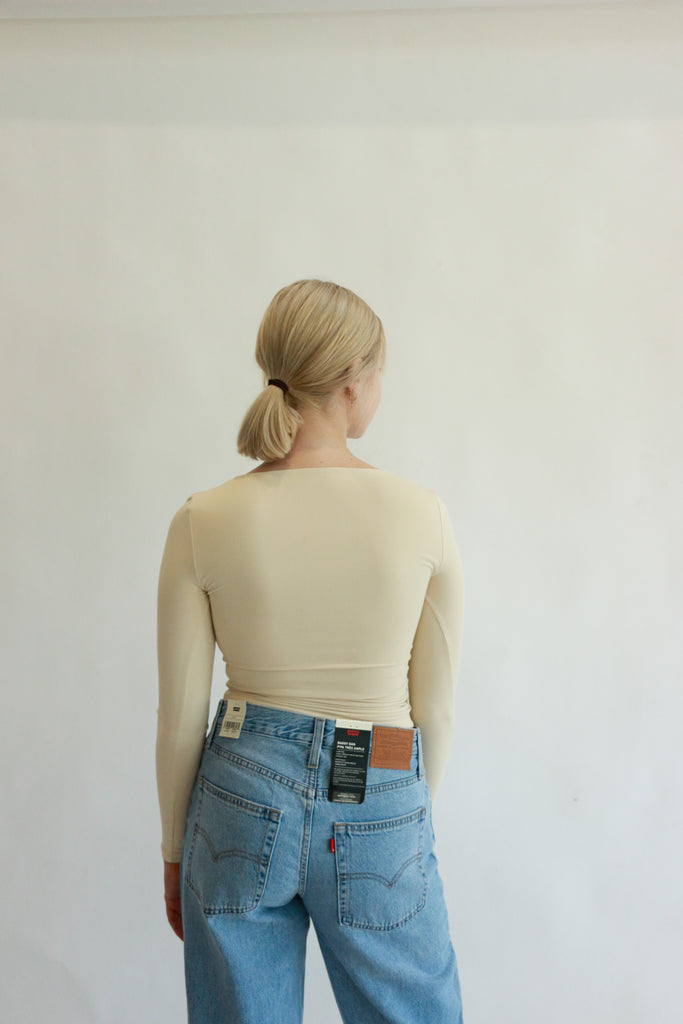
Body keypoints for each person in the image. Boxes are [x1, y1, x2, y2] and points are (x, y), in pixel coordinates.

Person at [156, 278, 466, 1024]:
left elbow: (179, 719)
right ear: (355, 379)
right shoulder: (421, 514)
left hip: (238, 787)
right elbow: (435, 712)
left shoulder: (203, 518)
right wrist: (403, 823)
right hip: (380, 777)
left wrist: (173, 850)